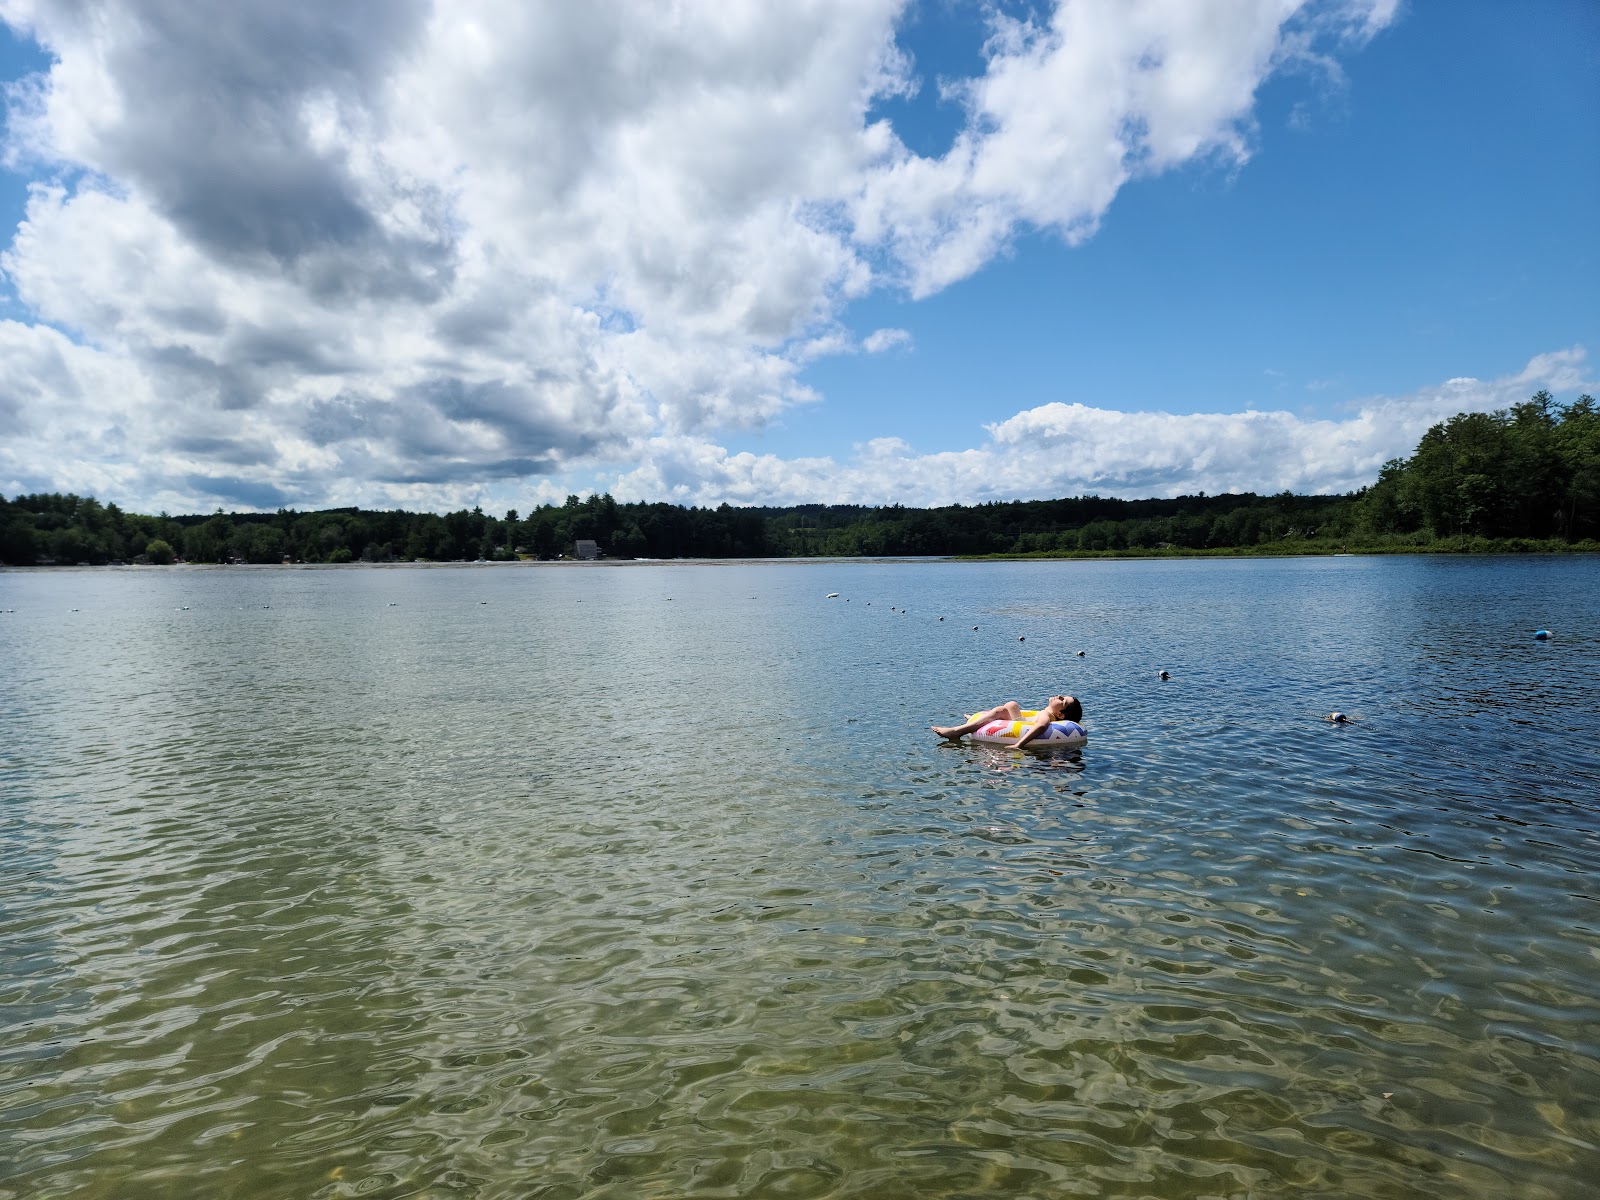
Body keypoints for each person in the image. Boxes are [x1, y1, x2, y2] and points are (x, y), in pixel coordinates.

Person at [933, 694, 1082, 748]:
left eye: (1062, 701)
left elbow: (1042, 726)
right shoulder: (1045, 713)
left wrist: (1019, 744)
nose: (1059, 695)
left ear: (1061, 715)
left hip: (1018, 728)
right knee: (1009, 706)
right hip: (1020, 722)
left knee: (1003, 710)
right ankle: (974, 721)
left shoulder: (1046, 716)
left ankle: (956, 732)